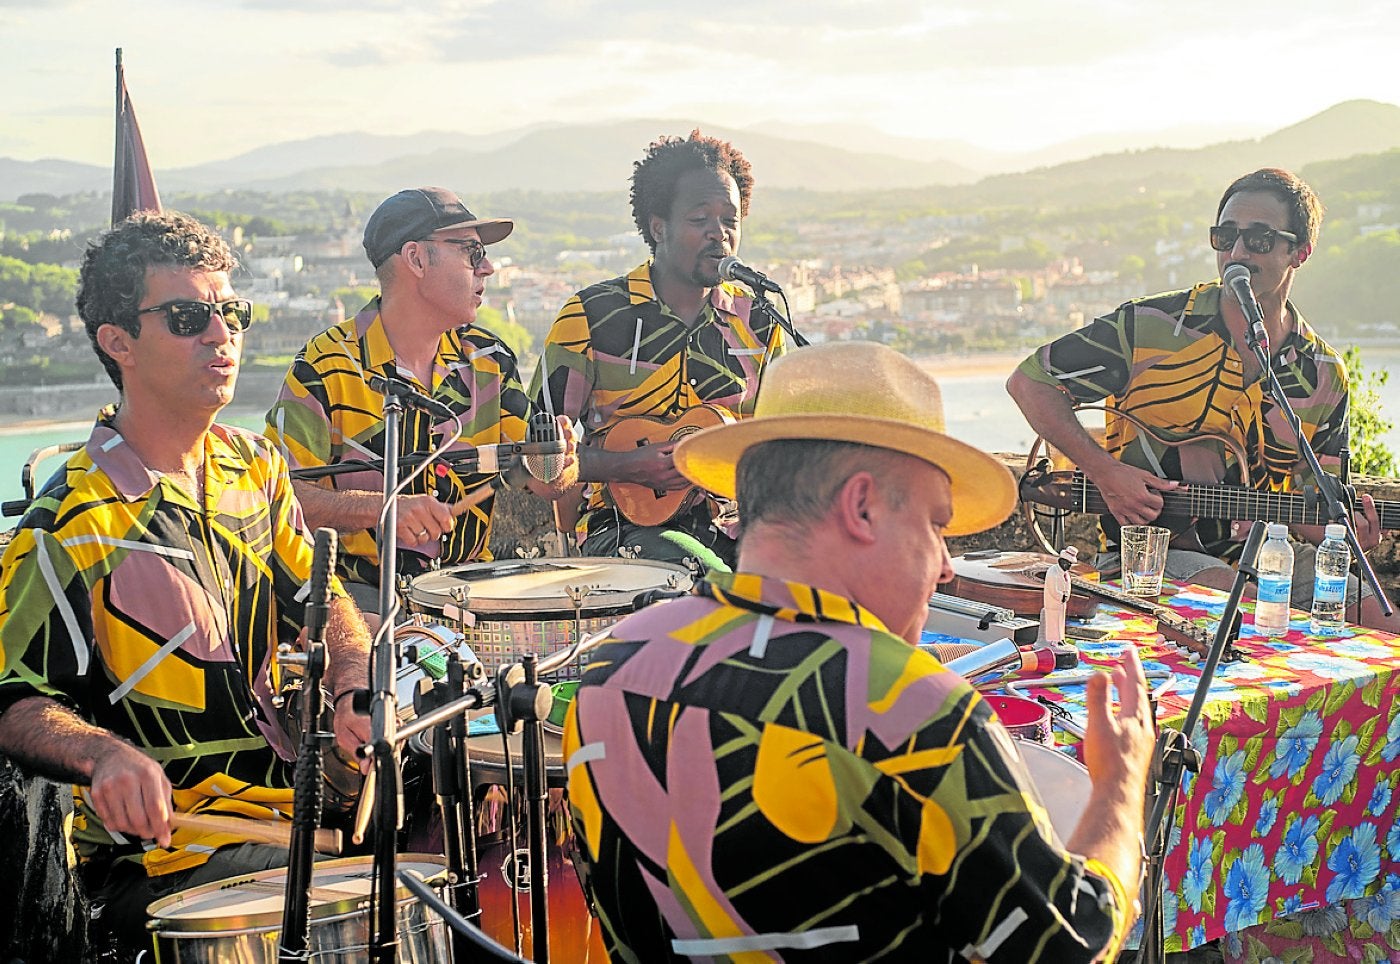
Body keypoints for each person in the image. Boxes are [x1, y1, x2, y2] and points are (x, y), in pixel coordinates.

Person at [562, 342, 1154, 961]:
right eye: (935, 525)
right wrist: (1120, 782)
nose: (947, 567)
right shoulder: (914, 711)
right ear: (863, 506)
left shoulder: (611, 667)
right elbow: (1067, 948)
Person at [0, 211, 374, 956]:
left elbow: (322, 594)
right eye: (187, 318)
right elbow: (12, 697)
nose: (221, 335)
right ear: (118, 343)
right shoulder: (67, 524)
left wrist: (356, 677)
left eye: (230, 313)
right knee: (383, 907)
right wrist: (103, 756)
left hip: (290, 812)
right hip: (164, 859)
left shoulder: (254, 468)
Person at [1008, 167, 1390, 629]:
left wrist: (1346, 534)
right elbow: (1031, 382)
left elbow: (1314, 507)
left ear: (1301, 251)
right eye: (1225, 236)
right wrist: (1106, 472)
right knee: (1241, 603)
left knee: (1378, 618)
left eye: (1260, 239)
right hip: (1147, 558)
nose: (1237, 252)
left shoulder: (1323, 373)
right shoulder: (1151, 326)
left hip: (1265, 557)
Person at [266, 187, 576, 611]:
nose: (487, 267)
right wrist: (380, 509)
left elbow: (543, 479)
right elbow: (275, 493)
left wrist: (559, 463)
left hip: (470, 594)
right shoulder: (324, 366)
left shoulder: (489, 359)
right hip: (359, 602)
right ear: (415, 258)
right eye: (471, 251)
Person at [530, 130, 788, 570]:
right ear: (658, 227)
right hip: (621, 529)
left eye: (730, 219)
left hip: (739, 529)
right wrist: (626, 466)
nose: (718, 234)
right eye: (699, 219)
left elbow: (781, 445)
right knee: (706, 578)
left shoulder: (760, 322)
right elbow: (539, 457)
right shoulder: (592, 316)